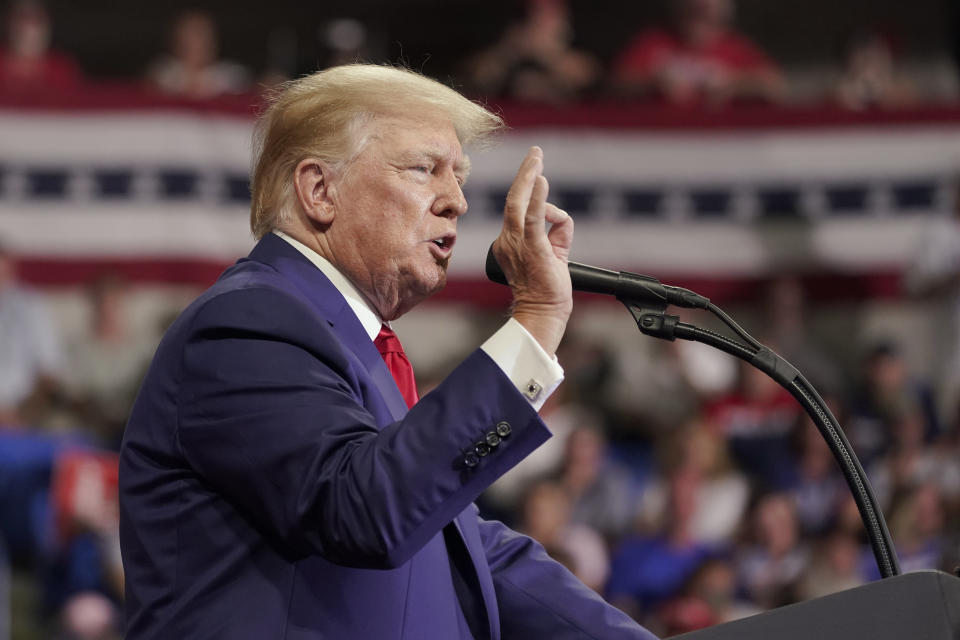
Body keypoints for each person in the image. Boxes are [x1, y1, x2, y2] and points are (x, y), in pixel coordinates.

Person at [119, 64, 657, 639]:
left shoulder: (357, 349)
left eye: (460, 177)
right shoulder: (246, 324)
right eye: (425, 169)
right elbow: (366, 509)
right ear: (320, 189)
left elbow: (468, 550)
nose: (456, 202)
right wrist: (535, 322)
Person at [612, 0, 785, 106]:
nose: (697, 19)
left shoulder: (736, 46)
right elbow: (616, 83)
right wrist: (654, 84)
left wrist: (731, 85)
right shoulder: (653, 41)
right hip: (661, 136)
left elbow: (775, 86)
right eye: (691, 11)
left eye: (704, 12)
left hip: (719, 137)